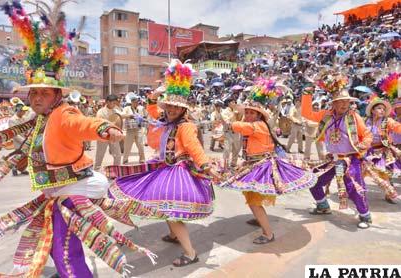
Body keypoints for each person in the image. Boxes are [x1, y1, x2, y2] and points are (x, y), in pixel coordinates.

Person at [0, 1, 160, 276]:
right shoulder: (41, 118)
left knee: (65, 249)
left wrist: (103, 129)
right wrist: (21, 161)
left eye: (45, 93)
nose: (38, 97)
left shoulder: (63, 113)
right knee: (55, 240)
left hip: (74, 189)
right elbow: (39, 148)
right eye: (34, 93)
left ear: (57, 96)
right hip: (60, 189)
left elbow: (82, 123)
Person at [106, 60, 221, 267]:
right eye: (169, 106)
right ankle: (174, 236)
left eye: (176, 107)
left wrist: (206, 166)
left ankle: (191, 253)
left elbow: (194, 147)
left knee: (171, 210)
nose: (172, 110)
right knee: (166, 207)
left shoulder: (185, 127)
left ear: (183, 109)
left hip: (178, 171)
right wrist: (154, 97)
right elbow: (152, 115)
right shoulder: (166, 122)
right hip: (164, 167)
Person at [219, 79, 317, 244]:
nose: (248, 115)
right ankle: (260, 220)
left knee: (254, 200)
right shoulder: (256, 124)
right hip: (254, 164)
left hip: (261, 166)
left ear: (258, 115)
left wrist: (230, 117)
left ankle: (268, 233)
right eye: (247, 112)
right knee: (251, 196)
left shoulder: (256, 126)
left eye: (252, 113)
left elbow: (236, 126)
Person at [301, 83, 373, 229]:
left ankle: (365, 215)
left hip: (349, 159)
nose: (344, 104)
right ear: (333, 103)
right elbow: (307, 114)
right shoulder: (326, 115)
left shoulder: (354, 117)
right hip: (332, 159)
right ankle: (323, 206)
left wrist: (363, 144)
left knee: (353, 187)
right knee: (313, 180)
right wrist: (307, 95)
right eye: (340, 101)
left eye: (347, 101)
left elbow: (366, 135)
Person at [362, 96, 401, 204]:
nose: (382, 110)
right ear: (372, 110)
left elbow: (397, 127)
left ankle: (389, 194)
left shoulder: (387, 121)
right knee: (360, 173)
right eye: (379, 108)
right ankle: (357, 193)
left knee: (384, 175)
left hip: (381, 151)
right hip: (367, 151)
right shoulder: (365, 120)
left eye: (383, 109)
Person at [94, 94, 123, 170]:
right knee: (100, 155)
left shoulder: (116, 111)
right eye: (112, 103)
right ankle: (96, 171)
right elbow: (98, 123)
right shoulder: (101, 112)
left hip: (113, 136)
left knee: (117, 155)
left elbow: (120, 121)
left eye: (115, 103)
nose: (113, 105)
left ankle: (117, 171)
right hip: (103, 136)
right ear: (107, 102)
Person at [122, 94, 146, 164]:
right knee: (127, 146)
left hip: (138, 129)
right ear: (131, 102)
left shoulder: (141, 108)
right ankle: (125, 159)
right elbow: (122, 115)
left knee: (141, 145)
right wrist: (130, 115)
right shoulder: (126, 108)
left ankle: (142, 159)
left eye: (137, 102)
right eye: (135, 102)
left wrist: (142, 119)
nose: (136, 103)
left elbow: (145, 117)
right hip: (130, 130)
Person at [8, 103, 30, 176]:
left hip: (25, 139)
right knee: (18, 155)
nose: (24, 112)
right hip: (18, 140)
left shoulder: (24, 118)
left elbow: (27, 127)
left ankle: (22, 168)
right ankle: (14, 167)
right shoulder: (12, 120)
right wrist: (24, 141)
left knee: (25, 156)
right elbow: (14, 134)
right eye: (23, 111)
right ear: (18, 111)